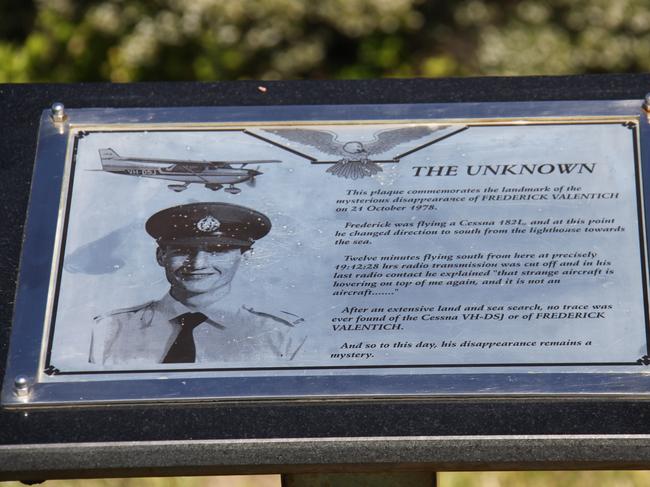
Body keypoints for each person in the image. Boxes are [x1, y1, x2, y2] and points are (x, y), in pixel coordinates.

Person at [89, 202, 305, 366]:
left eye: (218, 251)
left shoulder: (280, 335)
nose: (198, 264)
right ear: (160, 256)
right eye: (182, 251)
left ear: (245, 256)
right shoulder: (109, 330)